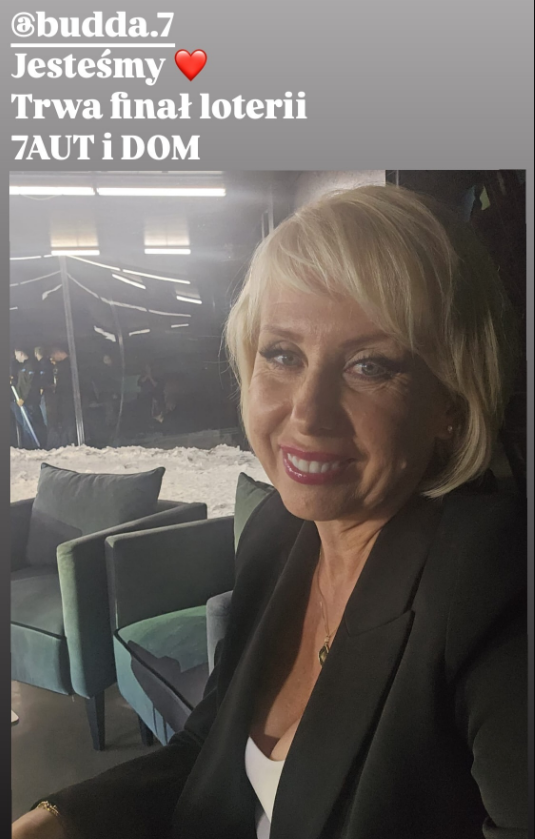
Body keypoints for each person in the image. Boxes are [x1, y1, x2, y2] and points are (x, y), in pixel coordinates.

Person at [13, 186, 527, 839]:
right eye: (282, 354)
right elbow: (211, 743)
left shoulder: (494, 587)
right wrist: (58, 821)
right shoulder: (278, 535)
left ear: (449, 402)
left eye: (370, 365)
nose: (306, 412)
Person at [11, 348, 46, 448]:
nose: (16, 357)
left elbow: (30, 384)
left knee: (30, 425)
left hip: (29, 401)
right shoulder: (23, 367)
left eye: (16, 355)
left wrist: (23, 398)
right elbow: (22, 383)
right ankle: (29, 446)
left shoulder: (31, 366)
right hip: (22, 401)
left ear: (21, 353)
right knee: (25, 425)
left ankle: (35, 446)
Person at [48, 347, 77, 448]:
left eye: (54, 355)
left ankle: (69, 441)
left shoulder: (65, 366)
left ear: (58, 352)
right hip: (67, 397)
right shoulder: (69, 363)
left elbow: (63, 383)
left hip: (66, 398)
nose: (53, 358)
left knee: (68, 421)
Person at [34, 346, 56, 435]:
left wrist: (41, 387)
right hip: (50, 392)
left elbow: (42, 380)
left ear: (36, 353)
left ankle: (50, 437)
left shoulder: (41, 365)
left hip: (45, 394)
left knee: (47, 418)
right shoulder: (50, 364)